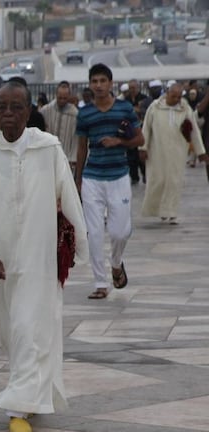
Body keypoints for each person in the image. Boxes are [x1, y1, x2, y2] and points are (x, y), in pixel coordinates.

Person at [0, 81, 89, 432]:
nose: (7, 114)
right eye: (1, 107)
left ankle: (18, 407)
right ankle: (33, 392)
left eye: (15, 107)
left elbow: (69, 198)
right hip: (0, 266)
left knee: (31, 329)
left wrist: (81, 247)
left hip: (40, 261)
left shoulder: (47, 149)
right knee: (14, 334)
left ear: (29, 109)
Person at [77, 63, 144, 300]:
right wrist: (77, 181)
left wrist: (119, 143)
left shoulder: (125, 109)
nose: (98, 85)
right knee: (93, 233)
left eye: (102, 81)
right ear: (90, 84)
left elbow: (139, 139)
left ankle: (116, 264)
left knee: (120, 232)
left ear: (111, 83)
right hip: (92, 178)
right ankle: (100, 282)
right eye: (94, 81)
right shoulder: (84, 113)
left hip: (118, 176)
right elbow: (81, 147)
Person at [141, 80, 206, 224]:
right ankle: (159, 210)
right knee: (158, 180)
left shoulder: (185, 108)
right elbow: (146, 128)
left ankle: (171, 212)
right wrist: (143, 147)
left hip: (177, 151)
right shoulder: (155, 107)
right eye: (173, 96)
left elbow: (194, 130)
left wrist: (200, 151)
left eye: (178, 97)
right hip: (157, 151)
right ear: (167, 94)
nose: (176, 100)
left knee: (174, 181)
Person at [40, 81, 80, 170]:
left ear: (69, 97)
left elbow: (75, 138)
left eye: (65, 98)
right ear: (56, 95)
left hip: (66, 157)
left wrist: (73, 158)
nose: (62, 100)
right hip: (48, 156)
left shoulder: (75, 114)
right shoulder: (46, 111)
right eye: (60, 98)